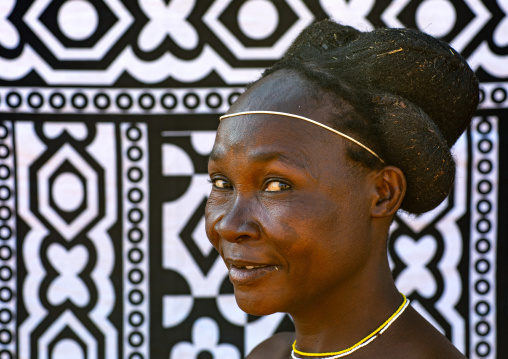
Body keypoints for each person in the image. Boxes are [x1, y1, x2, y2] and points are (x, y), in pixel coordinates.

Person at [205, 19, 478, 359]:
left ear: (383, 193)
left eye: (276, 185)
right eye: (222, 183)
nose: (230, 225)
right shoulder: (266, 354)